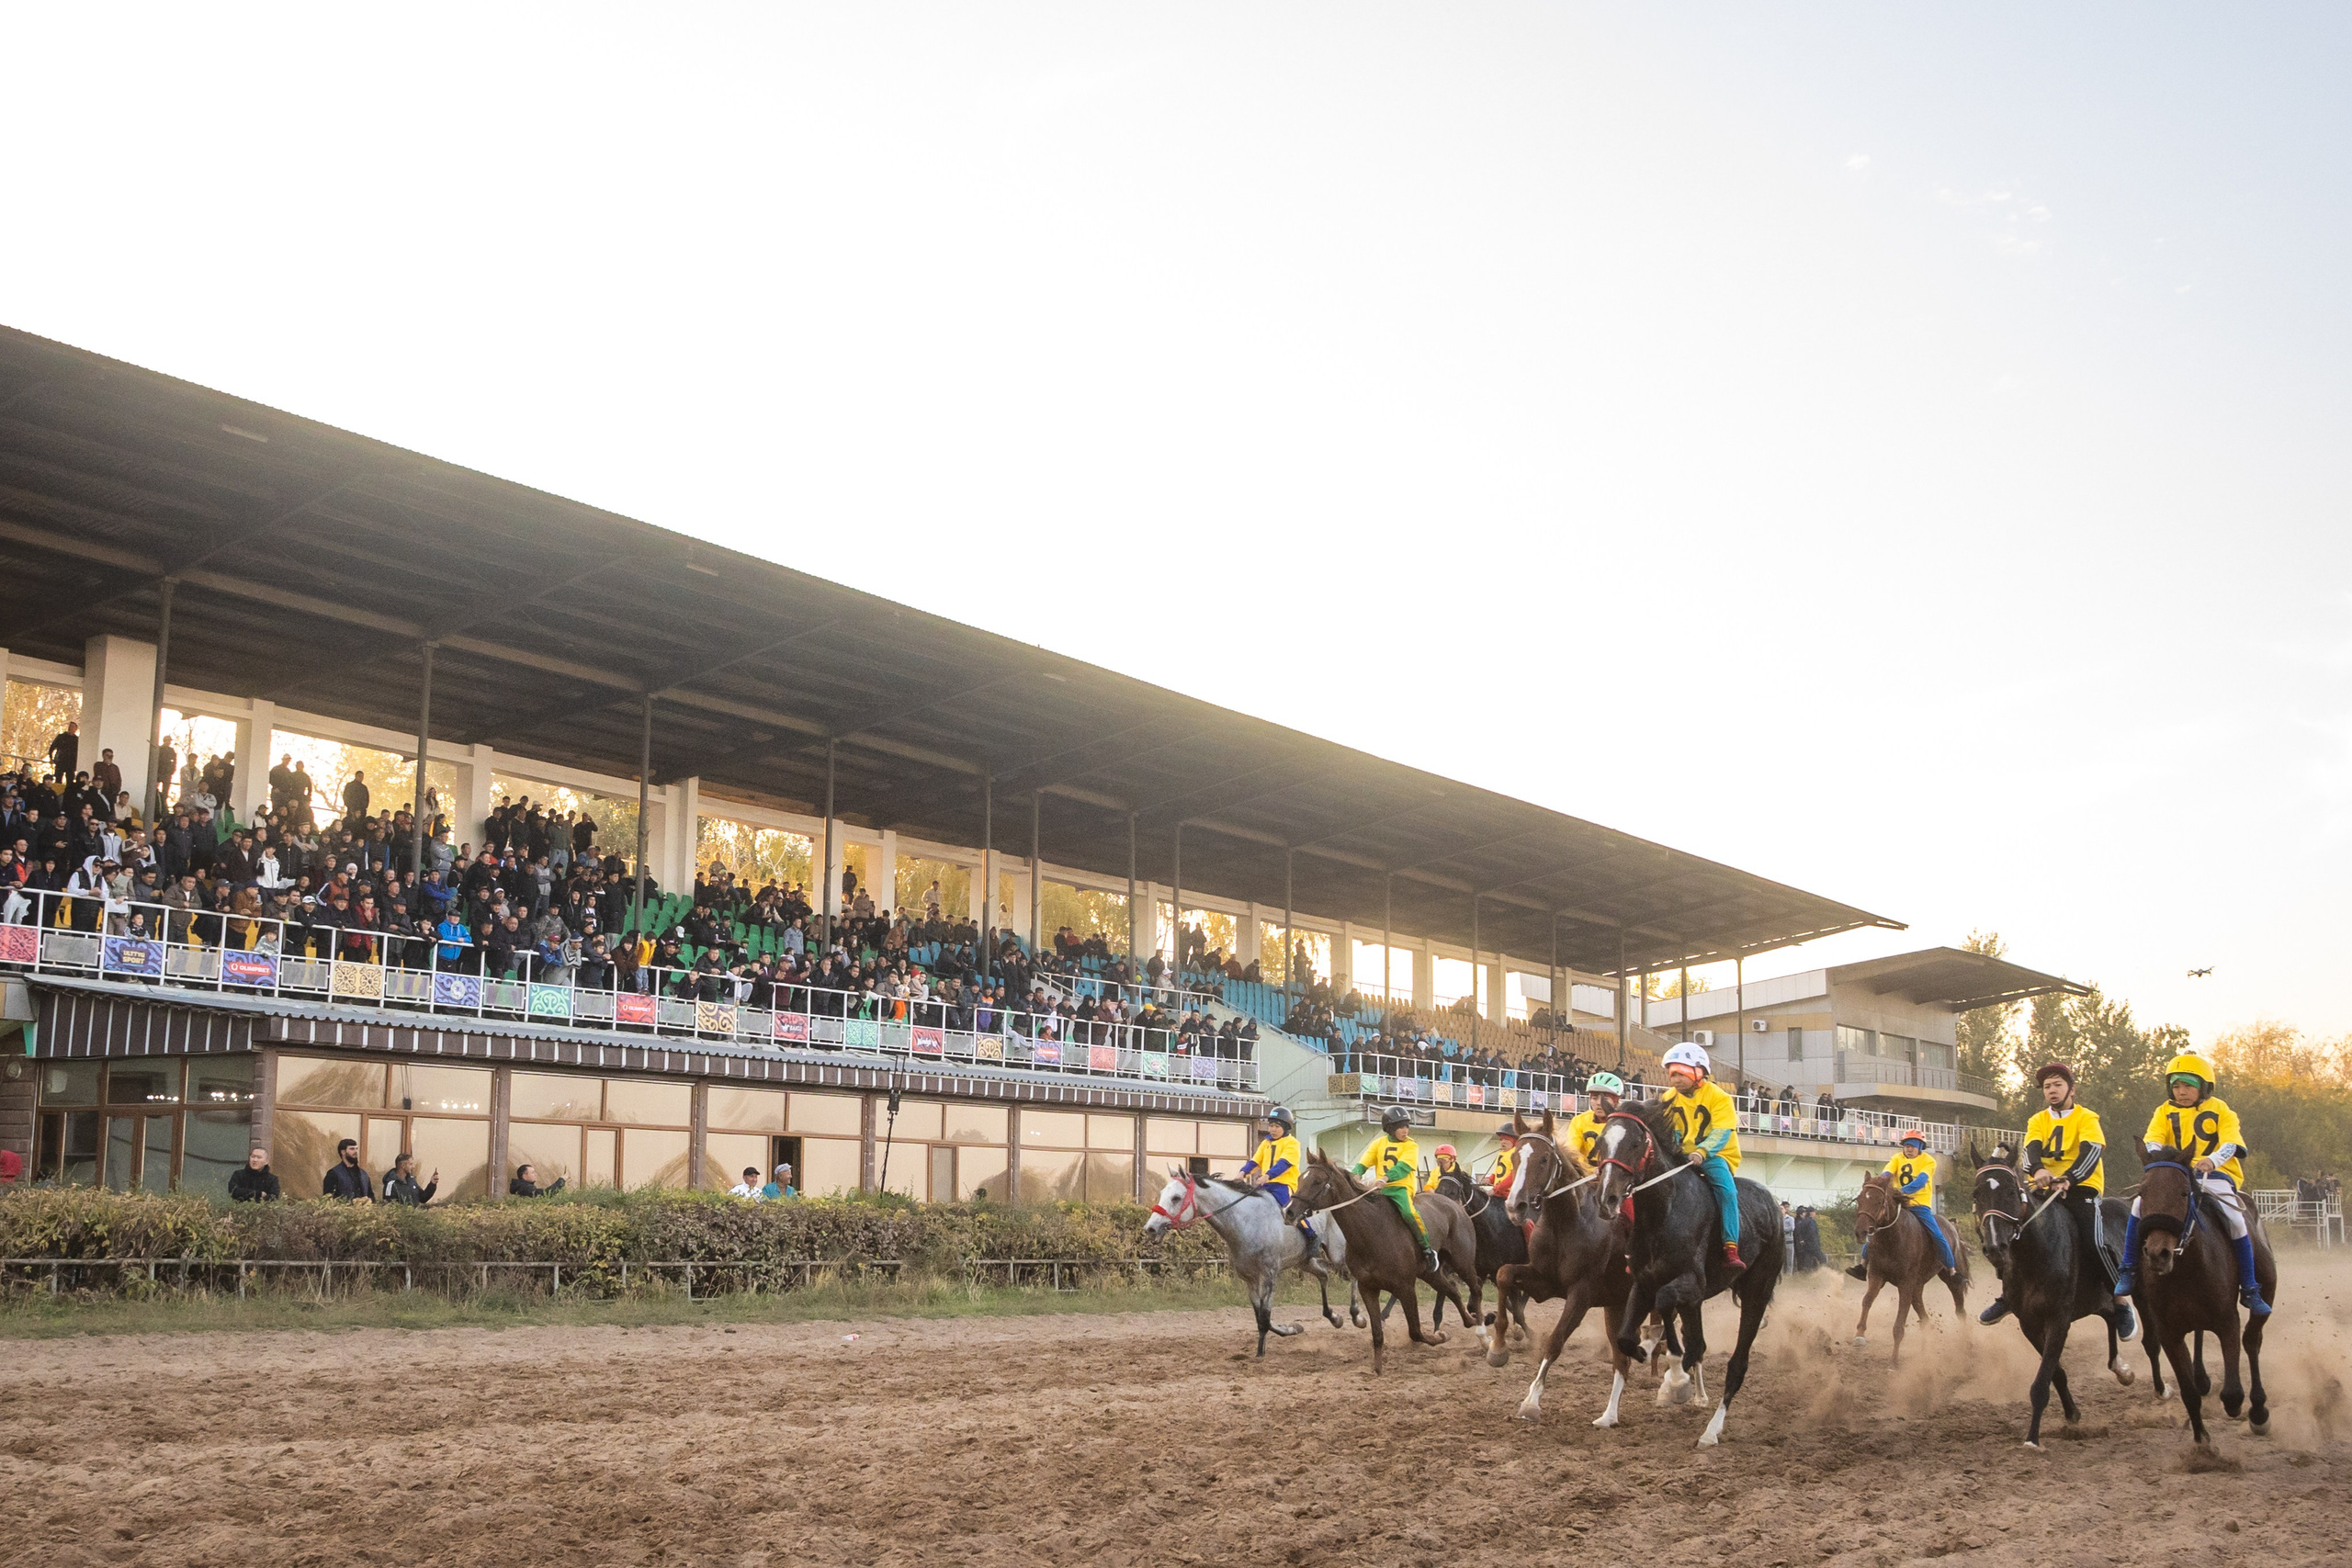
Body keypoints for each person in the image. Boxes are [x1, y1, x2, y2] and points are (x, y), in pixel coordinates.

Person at [1981, 1061, 2132, 1334]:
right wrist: (2038, 1170)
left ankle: (2119, 1301)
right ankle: (2008, 1297)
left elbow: (2091, 1152)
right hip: (2043, 1189)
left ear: (2072, 1089)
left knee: (2095, 1242)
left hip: (2082, 1189)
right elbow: (2030, 1152)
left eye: (2057, 1085)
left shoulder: (2087, 1118)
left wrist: (2070, 1178)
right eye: (2047, 1086)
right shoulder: (2037, 1120)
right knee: (2011, 1235)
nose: (2051, 1090)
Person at [2116, 1051, 2270, 1315]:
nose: (2181, 1091)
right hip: (2175, 1178)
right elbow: (2152, 1140)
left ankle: (2249, 1287)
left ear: (2204, 1087)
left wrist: (2212, 1161)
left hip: (2215, 1177)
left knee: (2235, 1219)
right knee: (2138, 1207)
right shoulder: (2164, 1111)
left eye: (2188, 1085)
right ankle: (2128, 1268)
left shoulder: (2221, 1109)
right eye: (2176, 1086)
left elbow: (2231, 1143)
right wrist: (2157, 1160)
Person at [1659, 1041, 1746, 1274]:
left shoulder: (1719, 1097)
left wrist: (1702, 1152)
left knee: (1728, 1192)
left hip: (1714, 1155)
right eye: (1672, 1073)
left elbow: (1721, 1132)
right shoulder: (1668, 1097)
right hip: (1681, 1155)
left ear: (1699, 1072)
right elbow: (1671, 1130)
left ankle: (1730, 1247)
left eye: (1681, 1073)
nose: (1676, 1079)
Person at [1847, 1129, 1955, 1280]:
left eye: (1913, 1146)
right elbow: (1886, 1174)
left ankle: (1952, 1269)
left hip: (1919, 1204)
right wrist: (1881, 1183)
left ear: (1920, 1147)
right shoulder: (1896, 1158)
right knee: (1875, 1229)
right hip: (1897, 1204)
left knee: (1937, 1234)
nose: (1909, 1149)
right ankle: (1862, 1265)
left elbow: (1921, 1181)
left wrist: (1900, 1192)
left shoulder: (1929, 1161)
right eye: (1906, 1146)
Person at [1353, 1106, 1438, 1274]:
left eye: (1407, 1126)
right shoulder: (1378, 1144)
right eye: (1401, 1127)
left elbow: (1403, 1167)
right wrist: (1355, 1175)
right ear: (1390, 1128)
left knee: (1409, 1213)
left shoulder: (1411, 1145)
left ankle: (1427, 1249)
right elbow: (1363, 1163)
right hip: (1381, 1189)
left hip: (1401, 1188)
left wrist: (1385, 1178)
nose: (1405, 1130)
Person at [1238, 1105, 1304, 1210]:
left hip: (1283, 1186)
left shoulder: (1292, 1143)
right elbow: (1255, 1161)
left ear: (1285, 1127)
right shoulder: (1265, 1143)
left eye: (1277, 1126)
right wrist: (1242, 1173)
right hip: (1265, 1185)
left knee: (1288, 1211)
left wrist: (1267, 1176)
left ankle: (1302, 1221)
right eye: (1271, 1126)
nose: (1273, 1129)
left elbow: (1283, 1164)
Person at [1565, 1071, 1624, 1166]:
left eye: (1605, 1099)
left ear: (1616, 1101)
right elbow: (1572, 1151)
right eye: (1594, 1098)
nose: (1599, 1103)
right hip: (1585, 1173)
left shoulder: (1625, 1123)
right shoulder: (1579, 1121)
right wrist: (1583, 1169)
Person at [322, 1137, 374, 1201]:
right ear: (343, 1152)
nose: (355, 1151)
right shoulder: (333, 1174)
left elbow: (371, 1196)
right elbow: (328, 1199)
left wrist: (368, 1201)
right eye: (352, 1149)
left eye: (356, 1149)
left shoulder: (364, 1174)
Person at [1486, 1122, 1520, 1197]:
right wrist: (1490, 1179)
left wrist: (1496, 1189)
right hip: (1499, 1192)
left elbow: (1513, 1176)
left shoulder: (1515, 1154)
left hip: (1509, 1194)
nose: (1503, 1142)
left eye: (1506, 1139)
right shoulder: (1502, 1153)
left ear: (1514, 1141)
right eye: (1501, 1139)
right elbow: (1499, 1171)